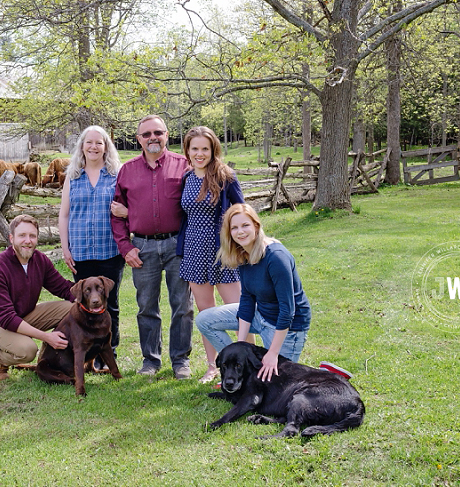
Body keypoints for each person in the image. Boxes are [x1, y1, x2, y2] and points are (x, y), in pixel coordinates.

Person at [111, 114, 194, 379]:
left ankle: (180, 361)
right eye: (146, 134)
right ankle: (150, 360)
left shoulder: (185, 166)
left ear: (167, 135)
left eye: (157, 132)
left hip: (177, 245)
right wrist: (126, 248)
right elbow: (115, 212)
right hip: (142, 247)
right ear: (138, 140)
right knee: (147, 306)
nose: (152, 138)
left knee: (182, 304)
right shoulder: (127, 170)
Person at [195, 203, 311, 383]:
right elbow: (247, 300)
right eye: (234, 228)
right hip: (261, 315)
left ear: (256, 226)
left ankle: (323, 372)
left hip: (288, 328)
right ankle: (240, 369)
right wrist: (240, 347)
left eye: (245, 225)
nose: (240, 232)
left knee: (273, 384)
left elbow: (288, 310)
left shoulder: (276, 257)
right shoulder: (243, 253)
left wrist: (272, 353)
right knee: (204, 319)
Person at [176, 126, 244, 384]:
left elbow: (241, 211)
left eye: (205, 148)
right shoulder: (186, 178)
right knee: (206, 314)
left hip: (223, 251)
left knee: (239, 313)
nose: (200, 153)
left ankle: (247, 365)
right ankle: (212, 366)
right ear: (188, 151)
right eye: (195, 148)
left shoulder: (225, 176)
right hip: (194, 250)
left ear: (213, 149)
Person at [58, 125, 125, 370]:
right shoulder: (73, 176)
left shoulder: (116, 175)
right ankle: (86, 354)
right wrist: (65, 248)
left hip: (110, 251)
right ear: (82, 146)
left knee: (111, 305)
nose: (94, 147)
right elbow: (64, 215)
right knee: (84, 305)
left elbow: (126, 209)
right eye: (89, 142)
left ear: (106, 147)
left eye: (99, 142)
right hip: (81, 252)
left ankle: (108, 355)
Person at [0, 214, 74, 381]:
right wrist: (46, 337)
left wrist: (90, 294)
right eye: (22, 235)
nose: (28, 241)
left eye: (32, 236)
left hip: (23, 316)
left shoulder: (40, 260)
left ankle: (48, 362)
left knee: (72, 309)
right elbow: (6, 318)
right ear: (11, 238)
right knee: (27, 350)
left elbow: (63, 288)